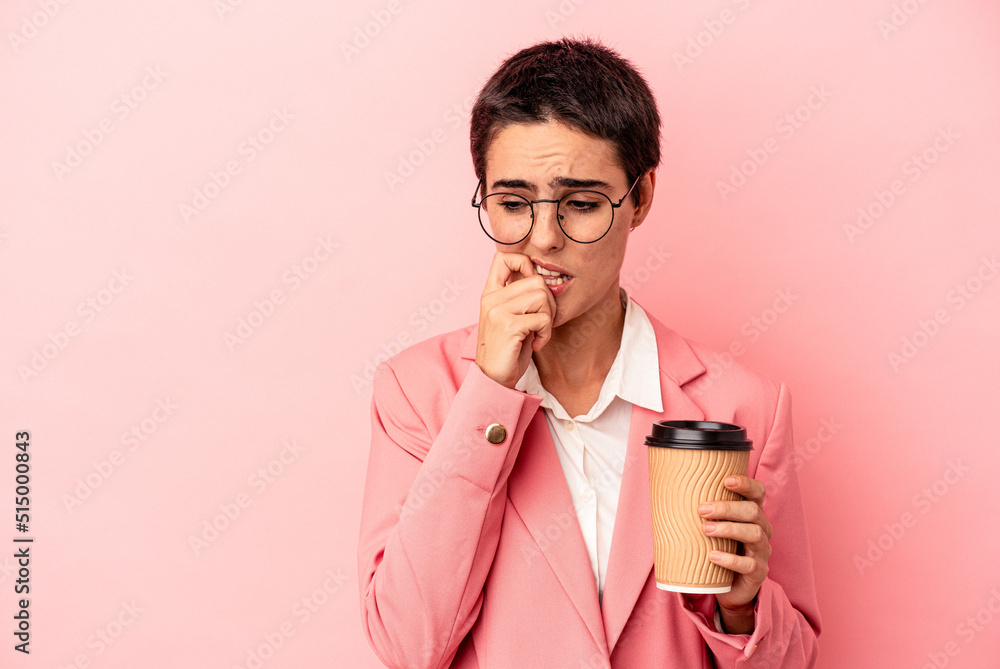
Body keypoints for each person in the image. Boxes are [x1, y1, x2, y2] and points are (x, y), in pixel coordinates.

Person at [358, 37, 821, 668]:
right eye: (513, 204)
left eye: (580, 204)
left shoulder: (743, 406)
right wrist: (489, 394)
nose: (544, 239)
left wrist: (742, 612)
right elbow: (408, 645)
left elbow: (795, 660)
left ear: (641, 197)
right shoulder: (418, 393)